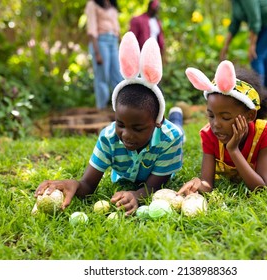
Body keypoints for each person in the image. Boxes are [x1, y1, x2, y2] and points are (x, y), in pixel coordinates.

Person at [35, 32, 184, 215]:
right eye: (120, 124)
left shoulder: (169, 139)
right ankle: (171, 117)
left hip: (172, 135)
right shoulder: (108, 137)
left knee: (180, 132)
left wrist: (137, 195)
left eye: (137, 128)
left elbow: (153, 187)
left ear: (156, 123)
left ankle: (176, 117)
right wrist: (72, 184)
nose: (127, 135)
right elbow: (88, 184)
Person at [178, 60, 267, 196]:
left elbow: (261, 187)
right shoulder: (209, 135)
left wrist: (233, 150)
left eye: (225, 117)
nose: (216, 124)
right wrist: (197, 184)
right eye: (211, 116)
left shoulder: (264, 133)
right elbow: (207, 183)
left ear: (250, 115)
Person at [220, 0, 267, 94]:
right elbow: (235, 23)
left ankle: (259, 94)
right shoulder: (235, 2)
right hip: (266, 24)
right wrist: (226, 46)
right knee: (264, 59)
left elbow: (254, 19)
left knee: (255, 57)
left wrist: (252, 45)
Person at [84, 0, 123, 110]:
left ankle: (120, 106)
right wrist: (97, 53)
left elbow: (116, 25)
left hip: (114, 41)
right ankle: (101, 107)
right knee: (102, 76)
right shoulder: (93, 4)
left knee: (117, 76)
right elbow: (92, 28)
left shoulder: (112, 4)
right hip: (101, 42)